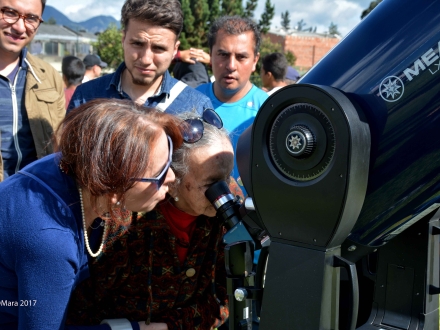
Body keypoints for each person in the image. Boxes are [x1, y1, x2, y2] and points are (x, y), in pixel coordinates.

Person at [0, 98, 183, 329]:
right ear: (114, 185)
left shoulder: (71, 166)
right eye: (160, 173)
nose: (172, 178)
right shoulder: (51, 239)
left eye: (170, 162)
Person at [66, 109, 232, 330]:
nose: (225, 193)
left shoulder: (228, 210)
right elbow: (78, 307)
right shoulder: (124, 220)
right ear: (172, 180)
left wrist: (168, 327)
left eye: (228, 177)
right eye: (211, 184)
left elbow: (230, 295)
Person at [68, 0, 212, 116]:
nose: (146, 59)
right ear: (123, 39)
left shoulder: (196, 108)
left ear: (175, 50)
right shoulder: (86, 97)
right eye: (137, 43)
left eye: (159, 48)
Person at [196, 16, 268, 191]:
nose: (231, 65)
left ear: (255, 61)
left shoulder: (268, 111)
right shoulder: (190, 100)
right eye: (223, 54)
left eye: (241, 56)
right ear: (210, 55)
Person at [0, 0, 65, 182]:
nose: (20, 27)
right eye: (10, 13)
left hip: (33, 195)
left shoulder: (48, 77)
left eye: (31, 18)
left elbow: (59, 146)